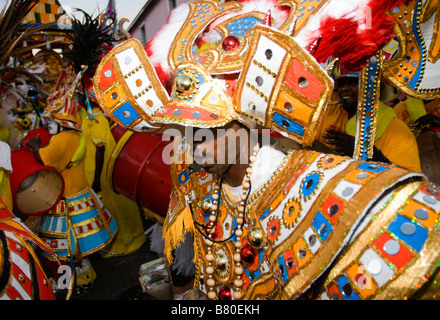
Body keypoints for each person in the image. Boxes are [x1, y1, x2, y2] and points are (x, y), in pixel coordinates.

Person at [93, 0, 440, 300]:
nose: (191, 146)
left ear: (246, 126)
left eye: (206, 131)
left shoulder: (314, 186)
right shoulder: (193, 180)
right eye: (183, 131)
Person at [25, 72, 117, 297]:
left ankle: (82, 280)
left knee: (65, 247)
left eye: (52, 120)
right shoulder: (75, 136)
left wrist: (36, 146)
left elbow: (45, 158)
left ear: (60, 121)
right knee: (73, 248)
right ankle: (81, 278)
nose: (49, 125)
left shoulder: (64, 139)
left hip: (66, 200)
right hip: (78, 193)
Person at [78, 89, 146, 257]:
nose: (75, 98)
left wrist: (96, 181)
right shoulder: (86, 115)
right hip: (91, 170)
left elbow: (100, 150)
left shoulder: (97, 118)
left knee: (115, 207)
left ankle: (127, 242)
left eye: (78, 94)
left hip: (102, 173)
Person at [316, 74, 422, 172]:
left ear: (375, 88)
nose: (344, 88)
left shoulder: (397, 130)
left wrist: (368, 154)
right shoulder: (328, 113)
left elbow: (408, 178)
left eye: (354, 83)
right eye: (341, 84)